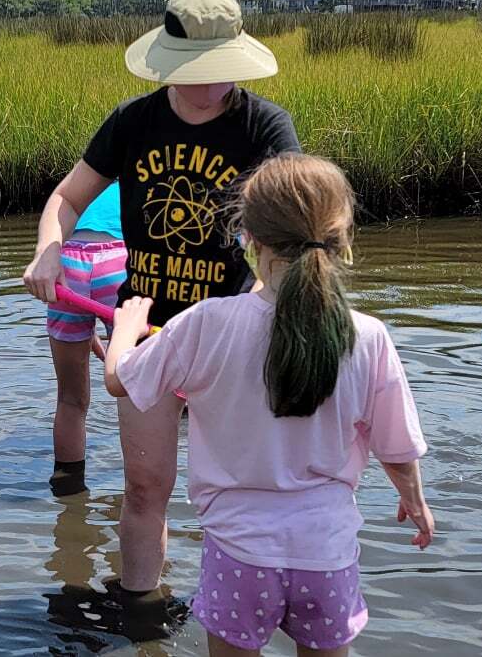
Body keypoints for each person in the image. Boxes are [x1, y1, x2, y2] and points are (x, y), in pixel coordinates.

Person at [22, 0, 300, 606]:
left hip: (229, 334)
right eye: (193, 75)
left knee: (236, 490)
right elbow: (67, 199)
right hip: (144, 330)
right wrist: (48, 251)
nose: (208, 89)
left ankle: (241, 612)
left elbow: (291, 229)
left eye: (219, 74)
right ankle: (142, 614)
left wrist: (266, 296)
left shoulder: (265, 126)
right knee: (146, 489)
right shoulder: (132, 121)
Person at [102, 153, 435, 657]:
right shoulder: (367, 335)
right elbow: (396, 446)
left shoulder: (206, 322)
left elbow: (120, 382)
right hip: (327, 554)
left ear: (248, 237)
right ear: (341, 238)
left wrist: (124, 334)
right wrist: (414, 499)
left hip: (240, 553)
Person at [45, 182, 125, 498]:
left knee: (70, 399)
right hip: (120, 261)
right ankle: (136, 496)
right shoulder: (147, 179)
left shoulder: (84, 184)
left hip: (68, 265)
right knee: (134, 397)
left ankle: (69, 497)